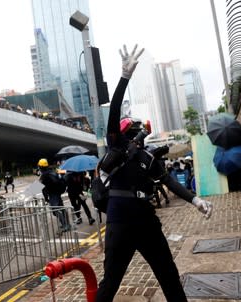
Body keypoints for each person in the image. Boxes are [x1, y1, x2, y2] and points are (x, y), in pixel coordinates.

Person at [95, 45, 213, 302]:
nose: (137, 132)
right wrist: (124, 77)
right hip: (120, 221)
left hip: (145, 222)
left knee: (168, 274)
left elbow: (168, 180)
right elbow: (113, 112)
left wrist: (195, 200)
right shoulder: (117, 147)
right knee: (111, 282)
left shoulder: (148, 156)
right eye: (133, 129)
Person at [37, 158, 70, 233]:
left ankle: (65, 225)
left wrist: (46, 198)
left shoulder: (44, 175)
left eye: (39, 166)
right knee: (61, 209)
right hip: (57, 193)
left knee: (55, 210)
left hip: (53, 194)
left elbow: (40, 187)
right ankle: (67, 224)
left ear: (41, 167)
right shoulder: (52, 171)